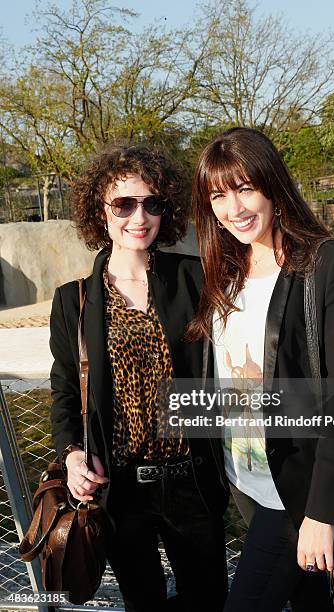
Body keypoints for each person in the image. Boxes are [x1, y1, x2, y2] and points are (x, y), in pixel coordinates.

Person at [188, 127, 334, 611]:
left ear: (273, 183)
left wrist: (321, 512)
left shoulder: (325, 264)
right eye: (219, 196)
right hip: (247, 486)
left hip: (298, 495)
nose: (235, 209)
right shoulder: (223, 271)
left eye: (246, 188)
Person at [49, 143, 229, 612]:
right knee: (143, 602)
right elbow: (66, 389)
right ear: (99, 210)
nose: (139, 216)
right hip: (120, 485)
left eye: (151, 203)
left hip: (192, 477)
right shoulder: (75, 300)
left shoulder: (195, 278)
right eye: (124, 204)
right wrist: (71, 454)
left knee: (207, 600)